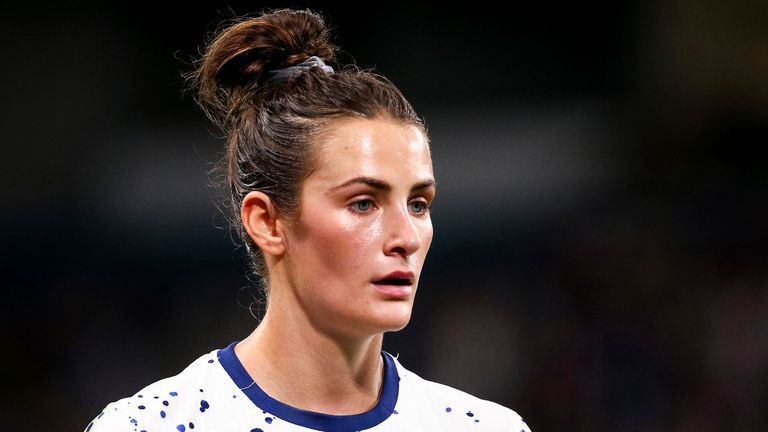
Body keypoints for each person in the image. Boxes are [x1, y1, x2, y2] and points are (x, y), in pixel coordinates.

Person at [85, 8, 532, 432]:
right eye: (363, 203)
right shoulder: (151, 424)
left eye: (418, 203)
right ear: (266, 221)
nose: (406, 238)